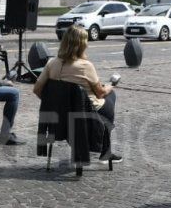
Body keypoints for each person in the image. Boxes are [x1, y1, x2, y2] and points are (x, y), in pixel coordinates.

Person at [33, 24, 121, 164]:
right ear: (82, 45)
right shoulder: (85, 66)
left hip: (58, 114)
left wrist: (54, 103)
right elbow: (100, 93)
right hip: (84, 112)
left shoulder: (51, 63)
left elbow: (37, 89)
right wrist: (110, 86)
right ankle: (105, 151)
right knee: (110, 97)